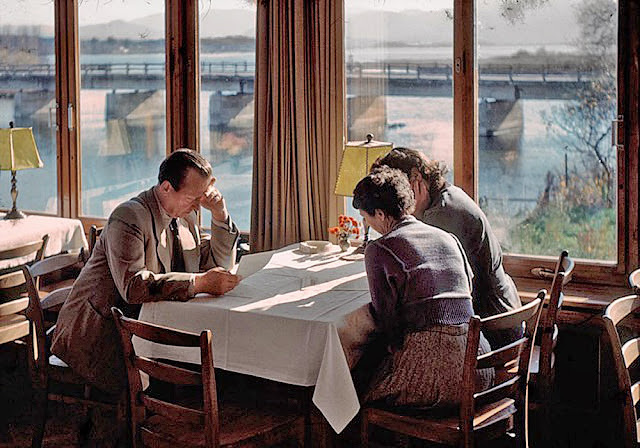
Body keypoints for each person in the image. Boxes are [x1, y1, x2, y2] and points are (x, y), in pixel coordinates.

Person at [52, 148, 240, 396]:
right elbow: (133, 287)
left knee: (215, 370)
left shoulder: (186, 215)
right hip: (101, 335)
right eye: (193, 198)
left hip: (148, 326)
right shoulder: (129, 217)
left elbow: (216, 264)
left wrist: (219, 213)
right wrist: (199, 283)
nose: (199, 205)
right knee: (203, 376)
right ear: (166, 187)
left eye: (202, 197)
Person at [352, 166, 492, 409]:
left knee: (355, 390)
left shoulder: (379, 248)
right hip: (479, 366)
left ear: (381, 214)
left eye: (366, 218)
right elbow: (467, 289)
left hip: (437, 373)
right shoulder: (447, 237)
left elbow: (387, 320)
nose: (367, 224)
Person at [372, 147, 522, 347]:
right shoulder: (449, 195)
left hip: (490, 331)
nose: (398, 201)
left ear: (416, 179)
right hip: (502, 315)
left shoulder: (441, 215)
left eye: (398, 190)